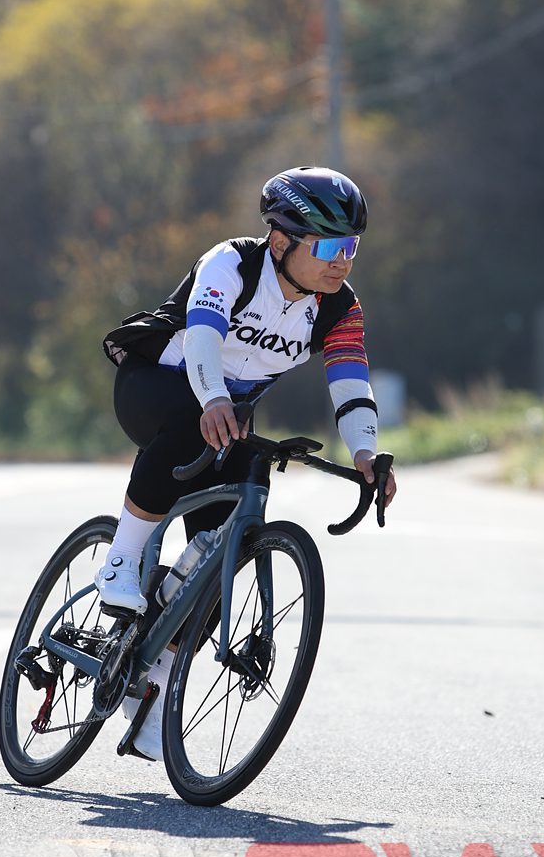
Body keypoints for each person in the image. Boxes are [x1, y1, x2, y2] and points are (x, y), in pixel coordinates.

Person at [98, 166, 399, 757]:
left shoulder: (339, 307)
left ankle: (152, 686)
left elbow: (349, 381)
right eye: (330, 247)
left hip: (228, 411)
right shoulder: (232, 263)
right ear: (281, 240)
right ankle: (121, 560)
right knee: (188, 427)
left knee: (219, 562)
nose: (343, 261)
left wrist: (365, 453)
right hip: (158, 383)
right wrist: (212, 398)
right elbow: (203, 338)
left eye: (352, 247)